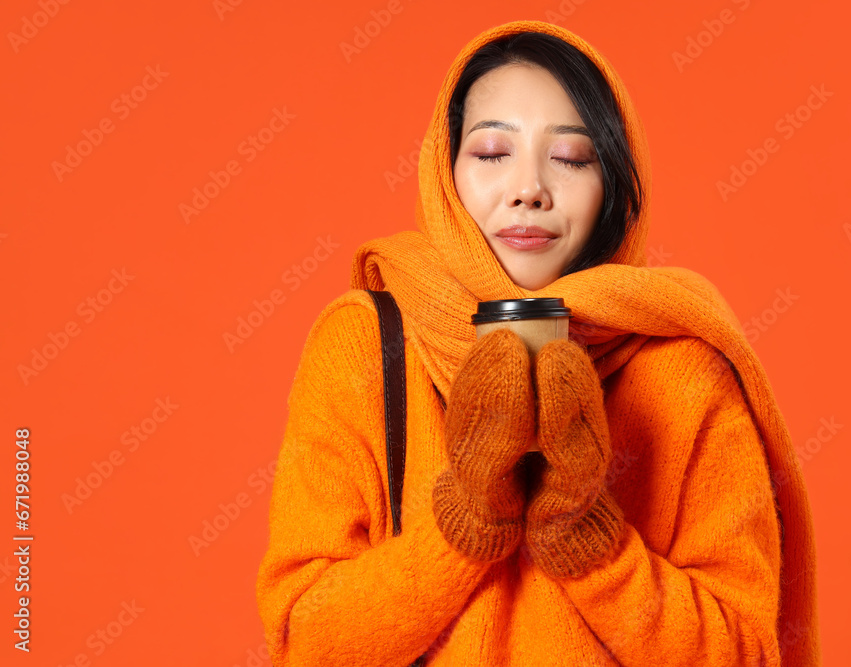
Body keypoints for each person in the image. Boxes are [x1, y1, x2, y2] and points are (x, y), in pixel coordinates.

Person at [256, 19, 820, 666]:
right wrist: (464, 522)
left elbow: (746, 653)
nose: (529, 189)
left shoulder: (687, 371)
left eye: (573, 158)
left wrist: (592, 542)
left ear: (613, 181)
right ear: (445, 171)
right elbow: (305, 642)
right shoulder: (364, 346)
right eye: (493, 152)